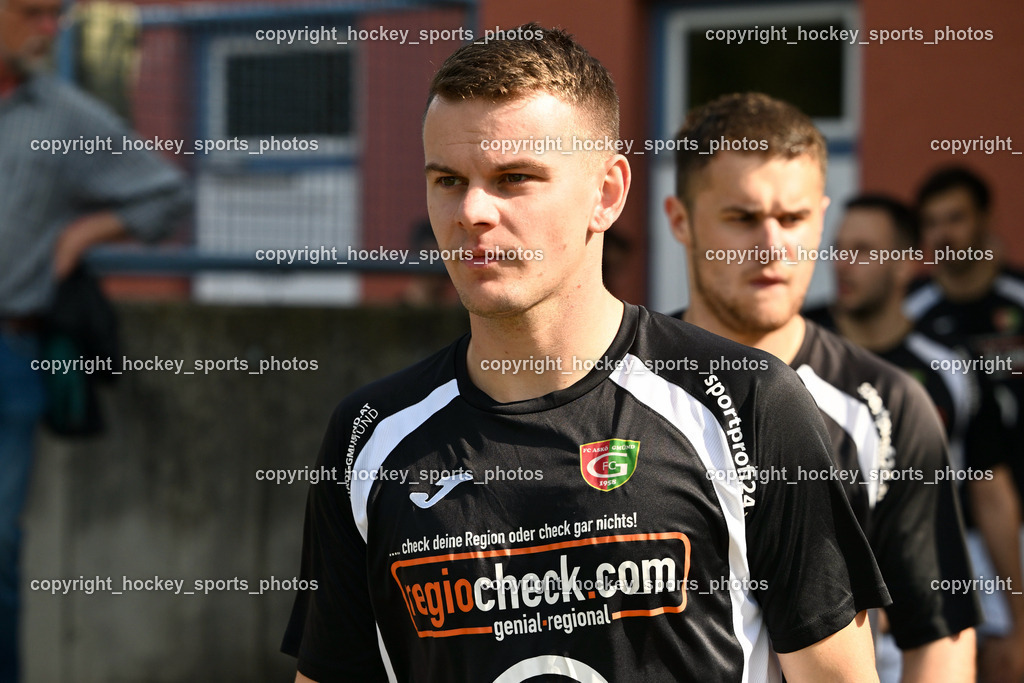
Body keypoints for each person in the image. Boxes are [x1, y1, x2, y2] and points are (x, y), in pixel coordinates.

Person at [283, 25, 890, 683]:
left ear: (607, 193)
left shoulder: (747, 402)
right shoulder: (370, 436)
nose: (473, 210)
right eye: (448, 180)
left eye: (515, 178)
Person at [663, 93, 980, 682]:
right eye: (742, 218)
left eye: (794, 219)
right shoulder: (627, 384)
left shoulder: (889, 406)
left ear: (822, 215)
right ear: (680, 219)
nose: (772, 245)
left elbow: (938, 633)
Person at [0, 0, 191, 678]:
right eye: (33, 12)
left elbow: (165, 193)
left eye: (57, 16)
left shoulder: (63, 117)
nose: (50, 30)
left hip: (10, 356)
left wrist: (81, 233)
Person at [810, 194, 1024, 682]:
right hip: (818, 615)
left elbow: (990, 492)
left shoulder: (953, 367)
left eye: (864, 251)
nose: (845, 264)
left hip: (929, 610)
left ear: (904, 265)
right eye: (840, 249)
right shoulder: (789, 350)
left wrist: (1019, 622)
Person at [904, 167, 1024, 501]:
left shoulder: (1019, 297)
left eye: (956, 218)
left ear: (985, 219)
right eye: (931, 222)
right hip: (950, 518)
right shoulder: (907, 312)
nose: (943, 234)